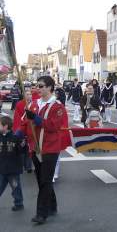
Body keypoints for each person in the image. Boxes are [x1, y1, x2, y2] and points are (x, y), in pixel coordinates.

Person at [18, 76, 70, 224]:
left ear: (50, 87)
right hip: (36, 149)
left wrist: (36, 119)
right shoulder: (33, 104)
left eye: (41, 86)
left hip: (50, 149)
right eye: (37, 86)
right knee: (42, 181)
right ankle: (52, 206)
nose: (38, 89)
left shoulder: (57, 106)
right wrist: (16, 135)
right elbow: (24, 123)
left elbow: (54, 127)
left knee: (45, 181)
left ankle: (42, 213)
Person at [0, 116, 24, 211]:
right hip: (2, 169)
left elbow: (21, 152)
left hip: (13, 170)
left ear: (5, 127)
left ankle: (19, 203)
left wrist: (22, 144)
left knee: (15, 187)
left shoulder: (15, 138)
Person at [13, 89, 33, 173]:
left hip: (31, 129)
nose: (29, 96)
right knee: (21, 149)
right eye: (27, 94)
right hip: (21, 128)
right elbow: (17, 118)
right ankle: (20, 166)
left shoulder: (34, 104)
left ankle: (28, 167)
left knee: (29, 149)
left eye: (30, 94)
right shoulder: (19, 104)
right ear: (24, 95)